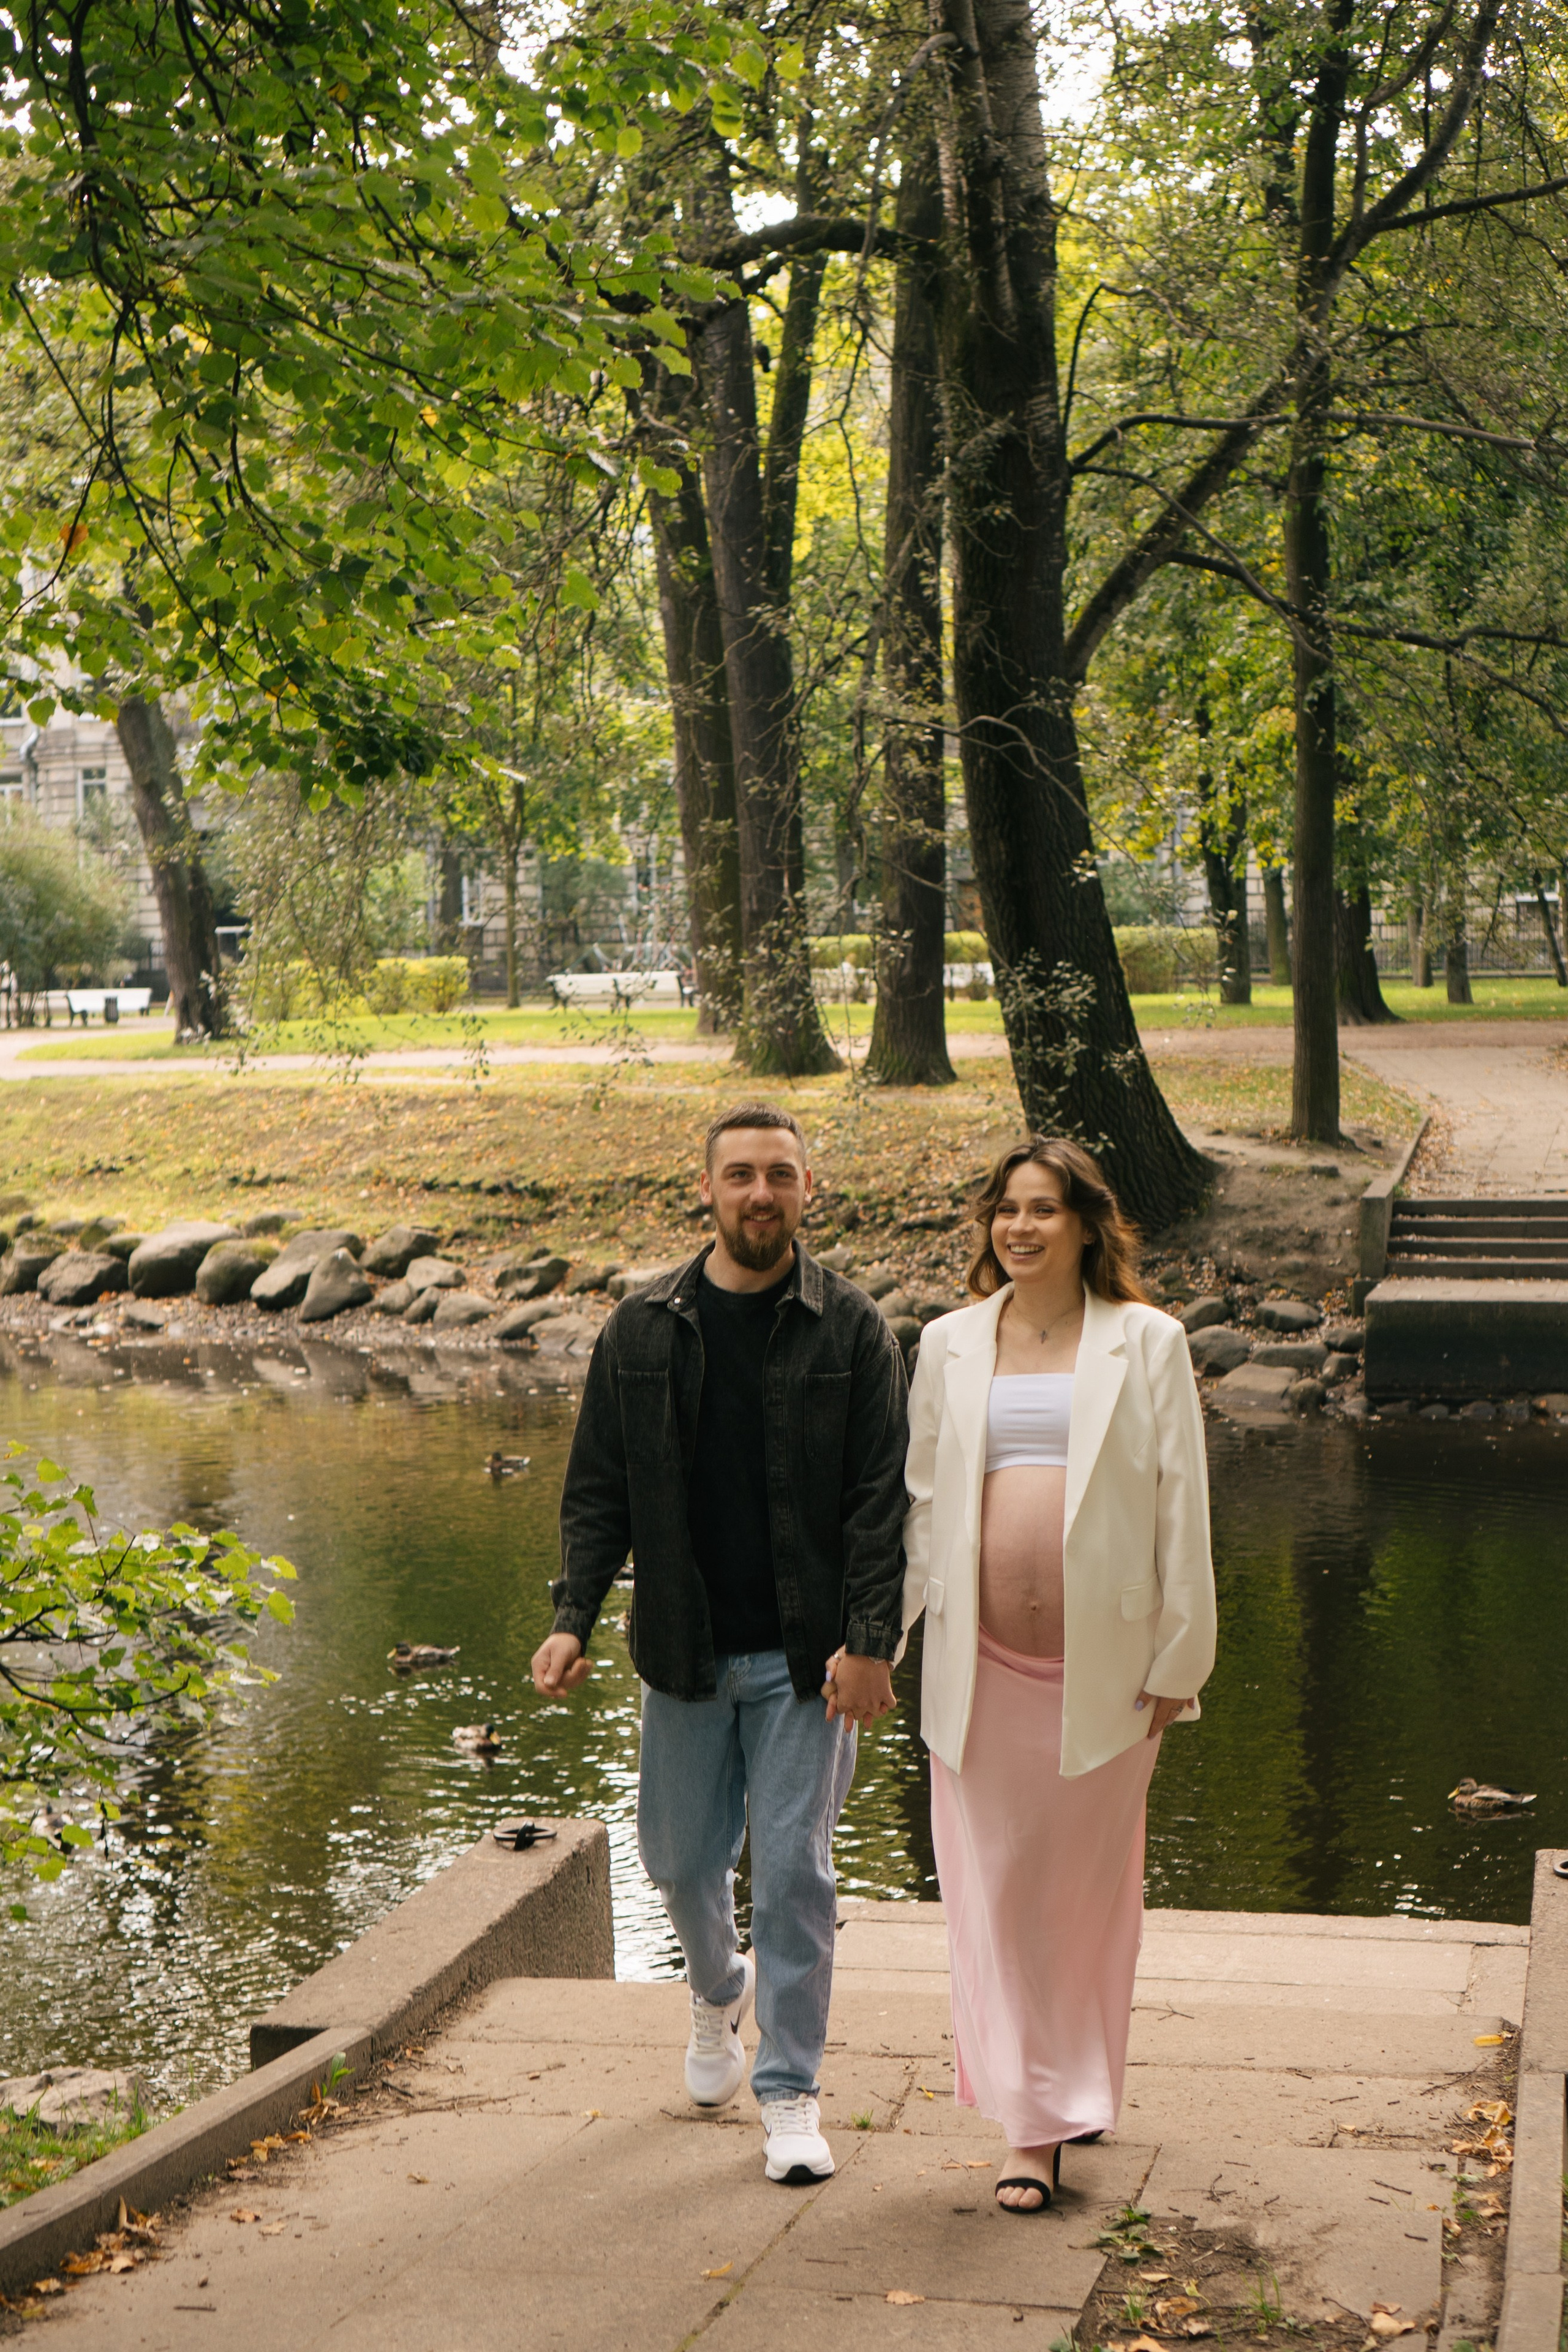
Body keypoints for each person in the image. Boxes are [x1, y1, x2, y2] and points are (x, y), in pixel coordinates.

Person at [532, 1102, 909, 2186]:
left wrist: (870, 1642)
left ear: (807, 1189)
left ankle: (790, 2094)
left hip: (808, 1665)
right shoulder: (642, 1329)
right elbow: (598, 1491)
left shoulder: (853, 1329)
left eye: (780, 1174)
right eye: (740, 1174)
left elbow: (881, 1503)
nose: (760, 1193)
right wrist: (572, 1618)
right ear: (706, 1189)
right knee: (681, 1860)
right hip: (684, 1652)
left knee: (793, 1875)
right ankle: (716, 1991)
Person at [898, 1136, 1216, 2214]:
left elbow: (1182, 1504)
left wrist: (1182, 1655)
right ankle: (1031, 2129)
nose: (1020, 1227)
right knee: (995, 1895)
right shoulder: (947, 1343)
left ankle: (1073, 2088)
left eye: (1043, 1208)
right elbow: (921, 1506)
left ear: (1085, 1223)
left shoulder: (1148, 1340)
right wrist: (880, 1639)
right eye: (1006, 1209)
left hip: (1109, 1673)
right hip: (977, 1670)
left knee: (1085, 1901)